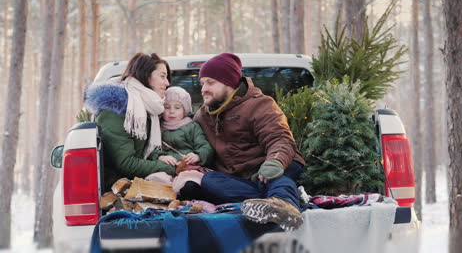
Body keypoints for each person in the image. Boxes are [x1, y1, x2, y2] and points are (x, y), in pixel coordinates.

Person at [193, 53, 306, 231]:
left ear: (229, 83)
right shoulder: (202, 116)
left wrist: (275, 161)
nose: (203, 89)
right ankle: (275, 202)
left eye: (210, 82)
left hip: (269, 170)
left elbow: (279, 138)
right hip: (240, 180)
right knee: (208, 180)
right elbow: (197, 146)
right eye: (202, 83)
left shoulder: (260, 105)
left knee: (277, 177)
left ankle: (284, 204)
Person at [84, 52, 176, 191]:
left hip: (135, 183)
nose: (167, 83)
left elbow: (143, 151)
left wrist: (160, 157)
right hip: (116, 188)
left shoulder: (147, 110)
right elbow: (126, 163)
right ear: (145, 75)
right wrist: (172, 168)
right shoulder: (115, 111)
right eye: (162, 76)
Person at [144, 86, 214, 195]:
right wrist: (160, 156)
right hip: (166, 169)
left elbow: (205, 147)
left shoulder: (192, 127)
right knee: (155, 178)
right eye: (167, 107)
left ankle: (183, 193)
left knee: (189, 182)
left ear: (185, 110)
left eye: (177, 108)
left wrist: (198, 155)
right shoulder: (157, 127)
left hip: (188, 168)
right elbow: (150, 149)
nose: (172, 111)